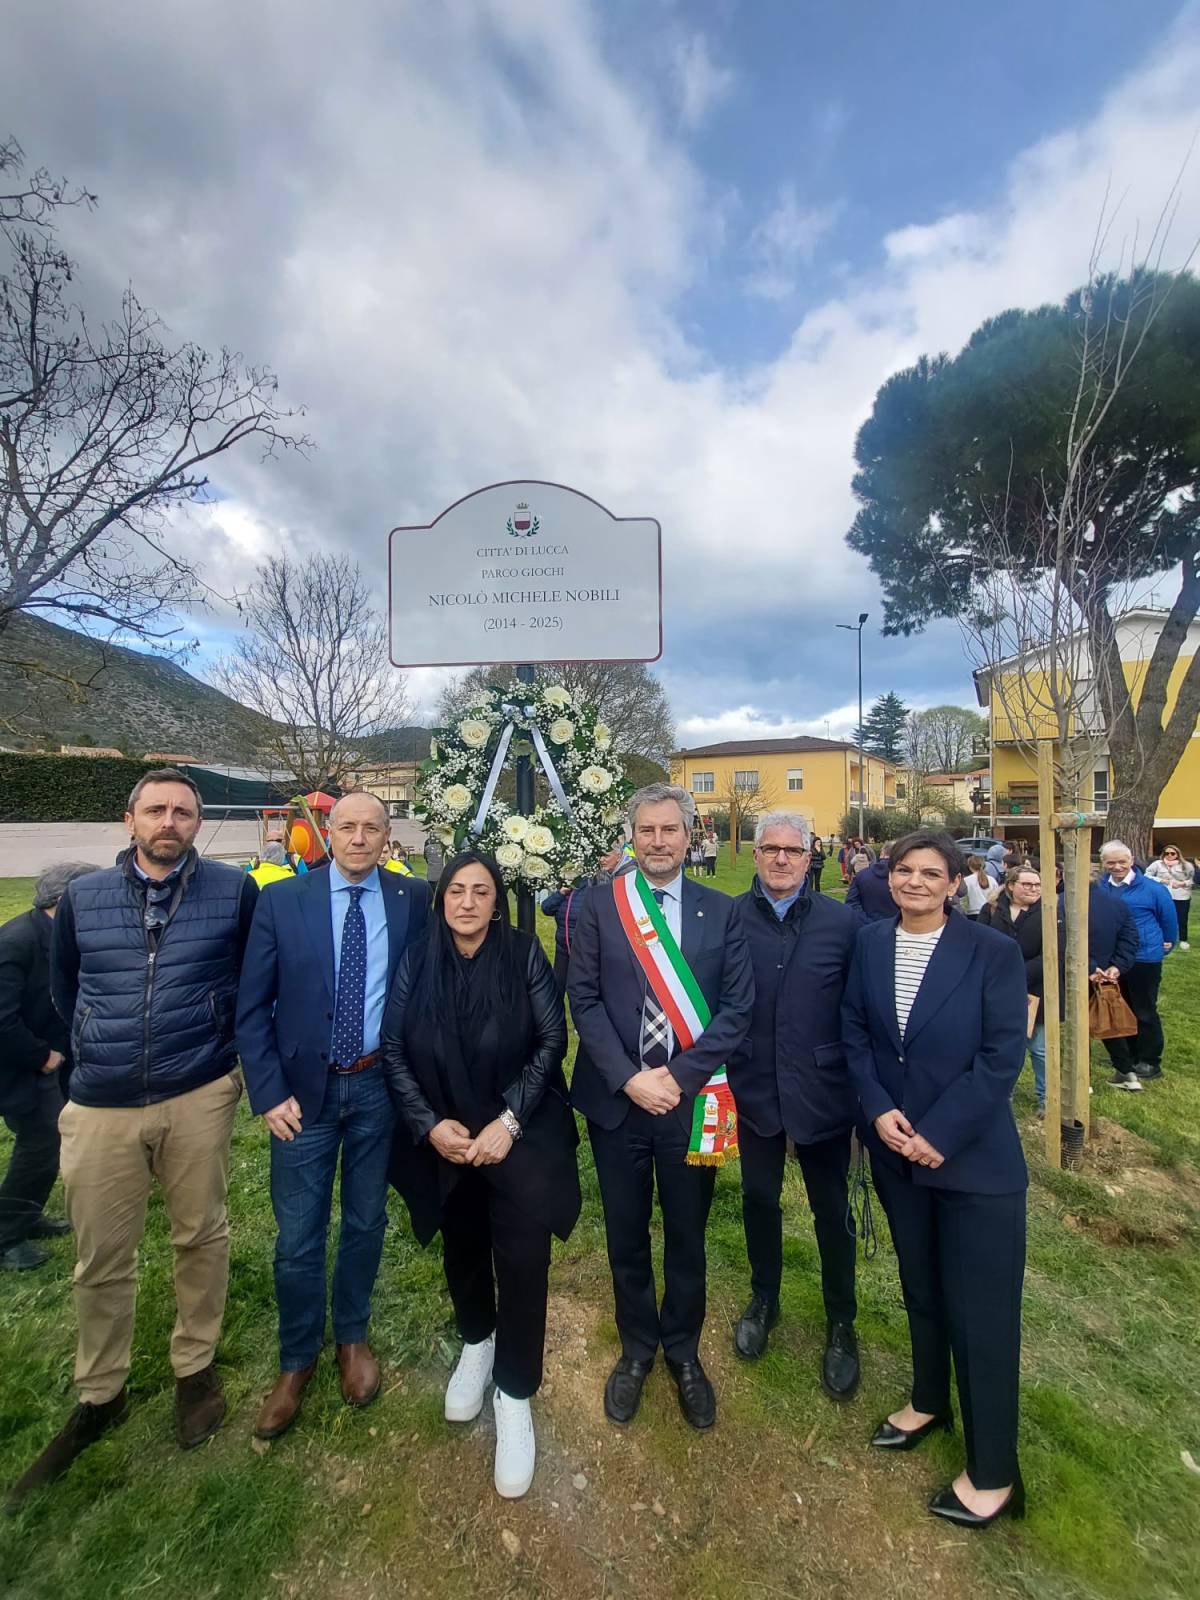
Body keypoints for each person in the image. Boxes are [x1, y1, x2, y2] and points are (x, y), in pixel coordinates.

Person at [7, 771, 258, 1514]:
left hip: (197, 1087)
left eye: (183, 811)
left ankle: (194, 1368)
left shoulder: (232, 891)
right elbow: (65, 988)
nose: (169, 821)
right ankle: (100, 1392)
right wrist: (92, 1046)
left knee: (200, 1234)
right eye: (156, 810)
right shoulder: (84, 898)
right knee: (100, 1253)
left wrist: (224, 1057)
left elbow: (249, 979)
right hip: (102, 1100)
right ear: (130, 820)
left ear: (198, 823)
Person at [842, 830, 1028, 1529]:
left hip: (971, 1161)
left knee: (981, 1315)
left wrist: (938, 1134)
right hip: (895, 1150)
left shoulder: (992, 952)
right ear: (887, 878)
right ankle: (928, 1398)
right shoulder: (870, 943)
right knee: (920, 1286)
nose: (914, 881)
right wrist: (877, 1109)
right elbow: (855, 1034)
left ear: (955, 882)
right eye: (903, 870)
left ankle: (993, 1473)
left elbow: (1001, 1056)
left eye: (930, 872)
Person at [382, 851, 580, 1499]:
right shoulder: (418, 958)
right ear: (441, 899)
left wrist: (510, 1122)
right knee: (462, 1247)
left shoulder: (522, 954)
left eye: (481, 892)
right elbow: (392, 1048)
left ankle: (514, 1392)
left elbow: (551, 1041)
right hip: (448, 1137)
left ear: (497, 902)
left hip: (516, 1135)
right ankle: (477, 1339)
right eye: (456, 891)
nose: (467, 902)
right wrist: (427, 1124)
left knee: (522, 1261)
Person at [236, 791, 430, 1440]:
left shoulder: (412, 899)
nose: (359, 838)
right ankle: (296, 1359)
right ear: (327, 831)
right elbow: (251, 1007)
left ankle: (351, 1336)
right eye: (347, 826)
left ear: (386, 836)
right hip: (301, 1096)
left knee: (366, 1220)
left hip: (377, 1087)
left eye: (372, 828)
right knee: (298, 1236)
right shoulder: (282, 900)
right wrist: (268, 1093)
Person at [568, 783, 753, 1431]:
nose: (657, 841)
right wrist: (629, 1079)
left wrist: (676, 1077)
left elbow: (737, 1009)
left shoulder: (721, 910)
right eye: (646, 830)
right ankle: (637, 1348)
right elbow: (583, 999)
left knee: (687, 1234)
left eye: (669, 829)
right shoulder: (599, 905)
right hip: (617, 1104)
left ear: (689, 835)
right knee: (625, 1235)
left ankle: (683, 1350)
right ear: (632, 836)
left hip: (689, 1103)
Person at [728, 814, 860, 1395]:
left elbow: (859, 1009)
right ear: (756, 854)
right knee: (759, 1199)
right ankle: (765, 1297)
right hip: (754, 1086)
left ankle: (841, 1320)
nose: (781, 859)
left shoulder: (843, 923)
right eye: (770, 849)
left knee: (832, 1210)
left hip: (822, 1091)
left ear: (810, 858)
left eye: (793, 850)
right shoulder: (730, 917)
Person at [0, 863, 99, 1272]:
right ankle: (7, 1236)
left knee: (48, 1139)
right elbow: (2, 1019)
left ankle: (27, 1214)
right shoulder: (17, 942)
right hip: (19, 1063)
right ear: (65, 900)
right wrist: (42, 1056)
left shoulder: (60, 937)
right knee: (41, 1139)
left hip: (51, 1057)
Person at [1096, 841, 1176, 1089]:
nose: (1117, 866)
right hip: (1113, 960)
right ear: (1103, 863)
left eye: (1122, 861)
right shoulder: (1100, 888)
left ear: (1131, 860)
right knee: (1120, 1007)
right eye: (1111, 862)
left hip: (1144, 958)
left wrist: (1166, 945)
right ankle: (1128, 1054)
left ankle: (1149, 1060)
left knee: (1144, 1009)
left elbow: (1169, 921)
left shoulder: (1153, 889)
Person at [979, 867, 1049, 1114]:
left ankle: (1046, 1097)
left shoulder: (1050, 912)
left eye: (1037, 885)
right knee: (1002, 1046)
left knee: (1039, 1048)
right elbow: (980, 942)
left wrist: (1017, 974)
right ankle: (1002, 1094)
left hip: (1036, 988)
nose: (1033, 889)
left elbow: (1052, 953)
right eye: (1027, 884)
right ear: (1011, 885)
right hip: (995, 987)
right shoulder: (992, 909)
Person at [539, 846, 624, 995]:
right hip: (562, 947)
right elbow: (546, 908)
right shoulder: (566, 888)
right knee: (556, 988)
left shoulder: (593, 884)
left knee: (581, 990)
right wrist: (561, 893)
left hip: (584, 949)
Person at [1146, 844, 1196, 950]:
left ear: (1177, 854)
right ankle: (1162, 938)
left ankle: (1183, 940)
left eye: (1172, 853)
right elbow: (1147, 876)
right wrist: (1162, 881)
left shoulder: (1186, 865)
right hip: (1162, 895)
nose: (1169, 855)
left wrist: (1183, 883)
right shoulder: (1157, 864)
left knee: (1182, 919)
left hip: (1181, 896)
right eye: (1167, 853)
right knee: (1161, 917)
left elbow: (1192, 879)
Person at [845, 842, 895, 924]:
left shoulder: (861, 875)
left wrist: (866, 923)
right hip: (898, 926)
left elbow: (852, 903)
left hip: (867, 925)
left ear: (882, 853)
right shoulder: (909, 878)